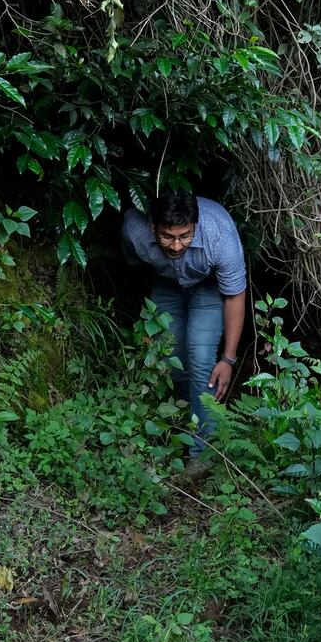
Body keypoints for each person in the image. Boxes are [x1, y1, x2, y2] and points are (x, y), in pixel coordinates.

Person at [122, 189, 246, 470]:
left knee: (201, 358)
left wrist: (228, 359)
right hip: (165, 285)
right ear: (153, 227)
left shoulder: (219, 235)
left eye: (185, 236)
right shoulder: (135, 230)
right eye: (167, 237)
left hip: (208, 286)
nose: (176, 246)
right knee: (172, 357)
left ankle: (204, 451)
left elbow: (235, 296)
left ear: (196, 227)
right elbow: (131, 265)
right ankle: (187, 423)